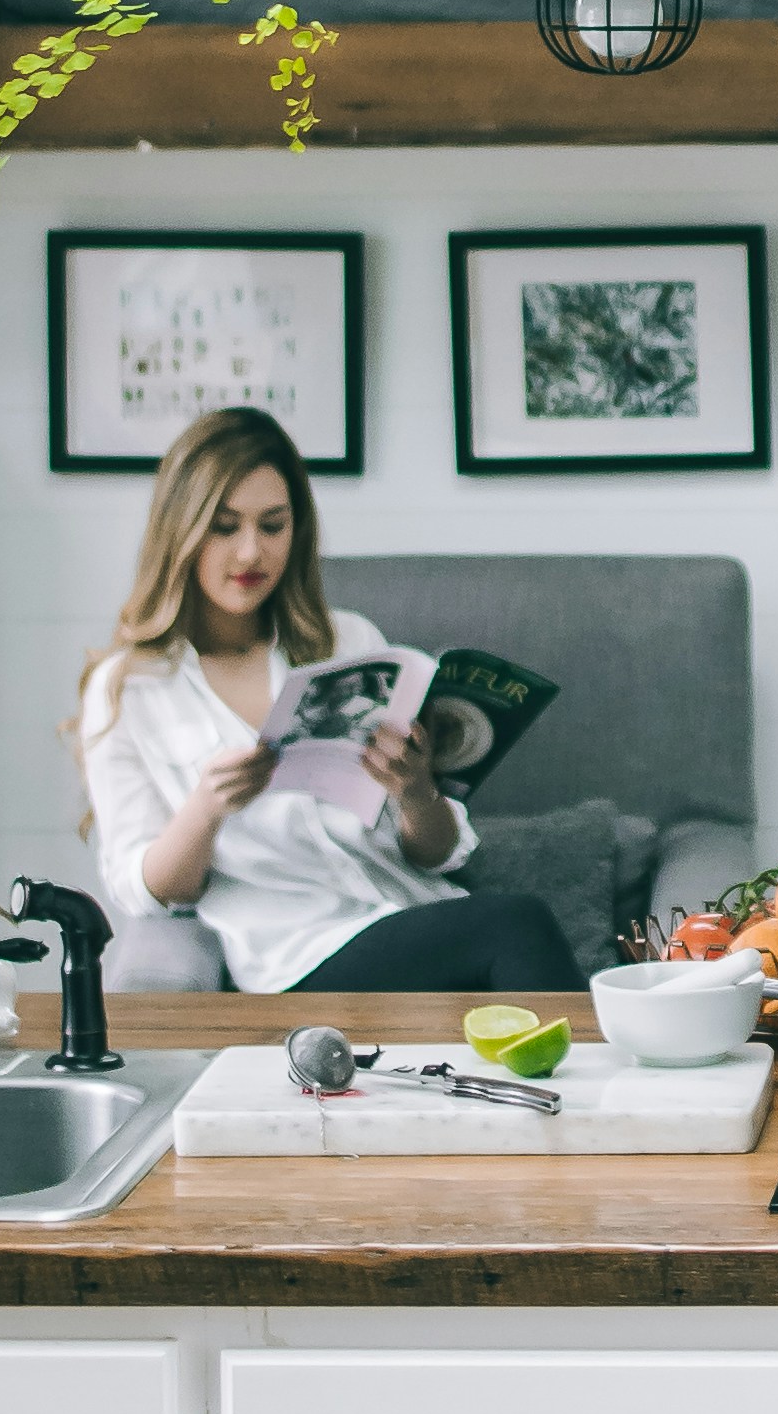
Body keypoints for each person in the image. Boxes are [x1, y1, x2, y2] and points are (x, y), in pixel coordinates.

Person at [72, 403, 572, 997]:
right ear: (181, 531)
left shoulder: (348, 642)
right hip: (296, 959)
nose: (251, 553)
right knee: (518, 925)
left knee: (512, 938)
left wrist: (416, 791)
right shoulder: (131, 688)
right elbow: (144, 890)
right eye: (225, 527)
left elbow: (437, 854)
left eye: (273, 526)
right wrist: (206, 809)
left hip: (406, 915)